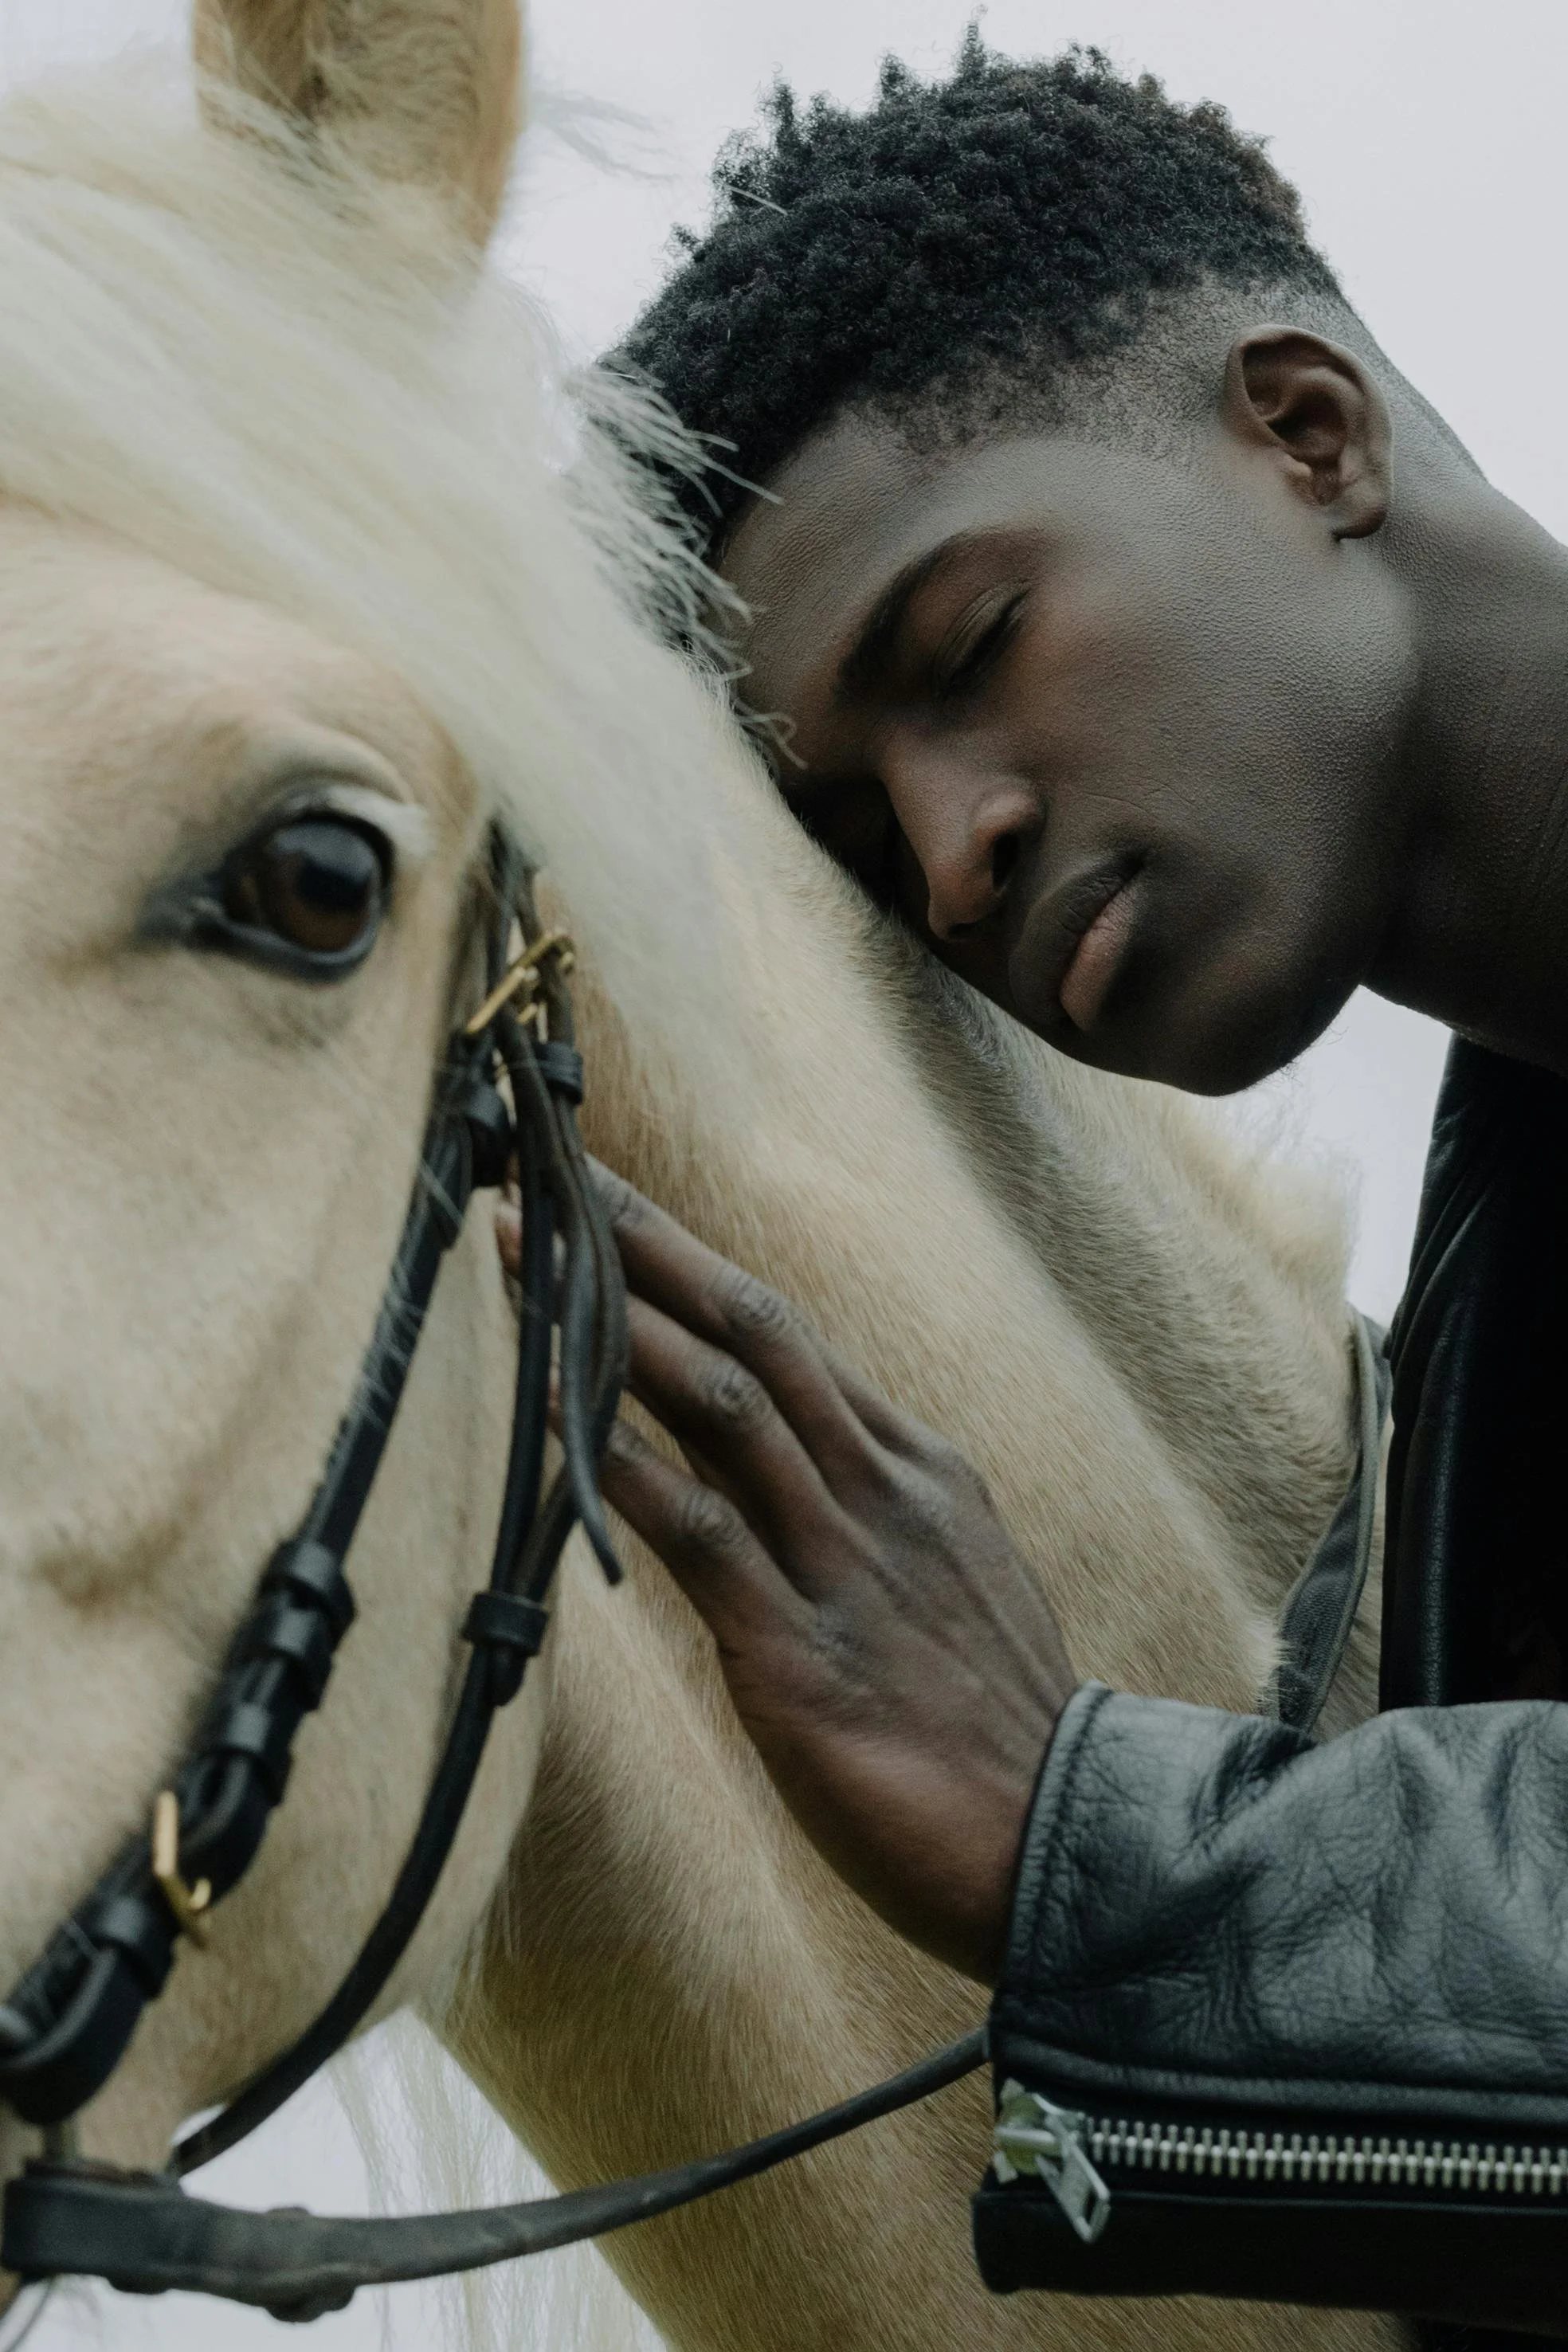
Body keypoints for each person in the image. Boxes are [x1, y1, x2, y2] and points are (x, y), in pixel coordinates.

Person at [563, 39, 1568, 2346]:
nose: (952, 854)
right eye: (861, 839)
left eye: (966, 649)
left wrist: (1088, 1839)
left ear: (1305, 432)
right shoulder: (1490, 1367)